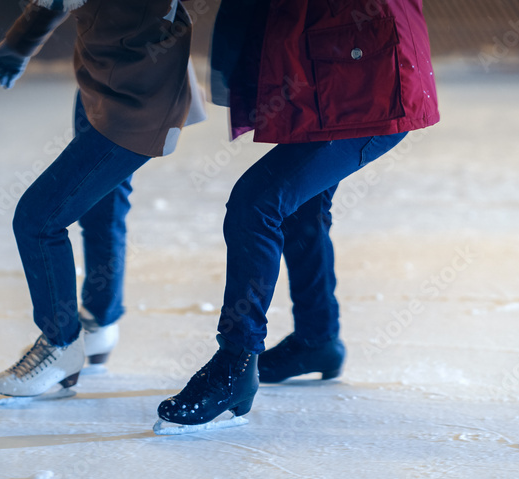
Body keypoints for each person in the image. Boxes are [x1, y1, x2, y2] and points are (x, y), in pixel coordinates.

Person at [155, 0, 439, 431]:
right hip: (337, 68)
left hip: (370, 77)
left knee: (257, 204)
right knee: (300, 208)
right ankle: (317, 339)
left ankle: (235, 363)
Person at [0, 0, 206, 404]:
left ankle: (60, 345)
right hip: (98, 83)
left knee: (38, 219)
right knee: (101, 204)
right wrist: (20, 42)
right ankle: (99, 322)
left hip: (141, 97)